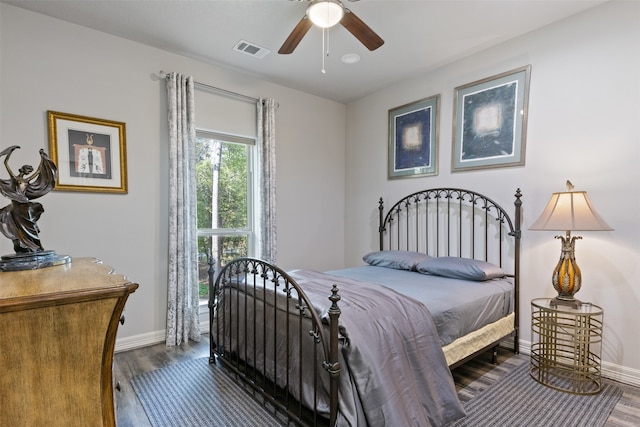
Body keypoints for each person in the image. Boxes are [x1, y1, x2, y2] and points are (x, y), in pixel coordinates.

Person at [0, 145, 57, 253]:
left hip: (24, 204)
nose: (28, 172)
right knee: (16, 226)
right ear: (22, 169)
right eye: (27, 169)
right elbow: (5, 163)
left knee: (29, 226)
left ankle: (36, 247)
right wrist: (9, 152)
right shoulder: (14, 178)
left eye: (29, 171)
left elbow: (39, 171)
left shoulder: (27, 180)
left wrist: (42, 158)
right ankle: (22, 248)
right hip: (15, 204)